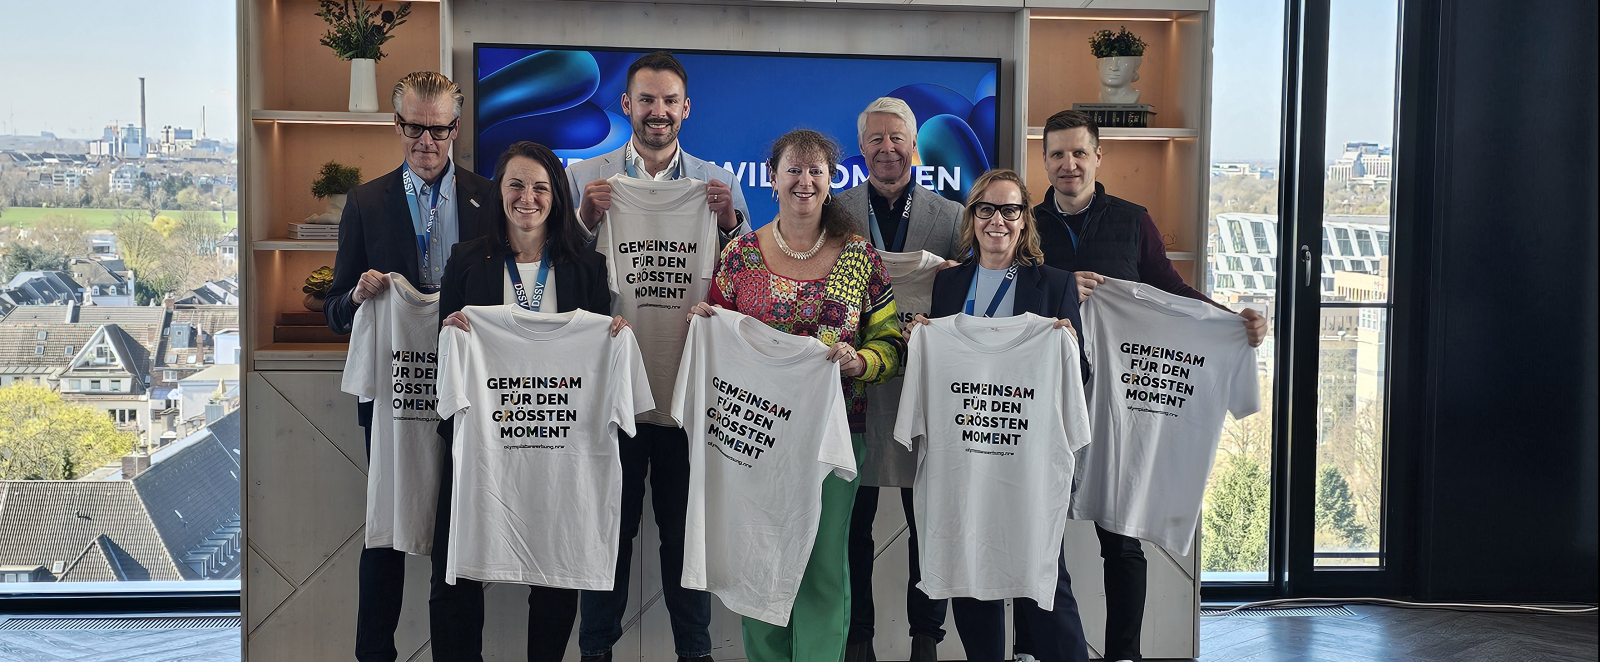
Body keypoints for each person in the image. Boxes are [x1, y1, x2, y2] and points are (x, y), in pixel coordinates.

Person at [1031, 109, 1267, 662]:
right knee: (1037, 534)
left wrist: (1231, 321)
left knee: (1121, 537)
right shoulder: (1028, 225)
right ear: (1044, 161)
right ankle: (1036, 649)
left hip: (1119, 403)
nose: (1069, 164)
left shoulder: (1132, 220)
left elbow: (1171, 291)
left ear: (1098, 156)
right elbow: (1009, 294)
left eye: (1079, 152)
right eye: (1057, 154)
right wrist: (1061, 287)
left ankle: (1125, 654)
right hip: (1045, 396)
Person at [688, 129, 904, 661]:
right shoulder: (739, 257)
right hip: (753, 438)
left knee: (822, 565)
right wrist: (706, 324)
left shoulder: (859, 257)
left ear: (831, 182)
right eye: (794, 169)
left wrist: (860, 361)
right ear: (772, 178)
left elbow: (891, 344)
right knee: (757, 559)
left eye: (816, 171)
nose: (804, 181)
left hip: (834, 436)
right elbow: (719, 338)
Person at [563, 51, 746, 662]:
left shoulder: (718, 184)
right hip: (608, 395)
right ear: (627, 105)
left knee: (684, 540)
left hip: (687, 394)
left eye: (669, 101)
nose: (658, 111)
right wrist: (585, 221)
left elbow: (746, 281)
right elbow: (557, 274)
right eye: (646, 100)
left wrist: (729, 224)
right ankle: (595, 652)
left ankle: (696, 653)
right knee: (606, 536)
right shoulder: (585, 179)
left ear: (686, 108)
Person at [324, 71, 500, 662]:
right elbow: (333, 310)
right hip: (392, 393)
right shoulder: (365, 203)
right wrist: (356, 296)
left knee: (459, 532)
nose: (427, 141)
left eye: (439, 129)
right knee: (387, 530)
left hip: (465, 394)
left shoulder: (488, 198)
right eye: (415, 127)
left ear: (457, 127)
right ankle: (374, 654)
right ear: (396, 125)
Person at [433, 141, 628, 662]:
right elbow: (445, 356)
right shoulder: (466, 260)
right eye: (516, 185)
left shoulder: (587, 267)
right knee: (454, 571)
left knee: (555, 570)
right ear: (499, 192)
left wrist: (612, 336)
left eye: (541, 187)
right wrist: (450, 333)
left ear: (556, 196)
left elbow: (594, 363)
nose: (528, 197)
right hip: (482, 445)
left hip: (558, 446)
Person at [907, 169, 1088, 662]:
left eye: (1010, 210)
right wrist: (923, 336)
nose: (997, 221)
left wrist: (1069, 347)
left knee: (1043, 576)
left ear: (1025, 219)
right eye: (986, 209)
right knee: (971, 572)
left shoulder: (1054, 283)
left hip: (1025, 458)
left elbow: (1080, 375)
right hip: (965, 456)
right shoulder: (949, 282)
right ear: (972, 217)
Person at [832, 96, 962, 662]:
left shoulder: (952, 217)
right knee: (851, 523)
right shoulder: (835, 212)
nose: (887, 148)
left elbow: (971, 298)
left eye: (897, 138)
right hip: (852, 387)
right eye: (876, 139)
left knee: (927, 520)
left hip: (924, 391)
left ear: (913, 145)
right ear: (861, 148)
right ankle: (857, 636)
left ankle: (925, 638)